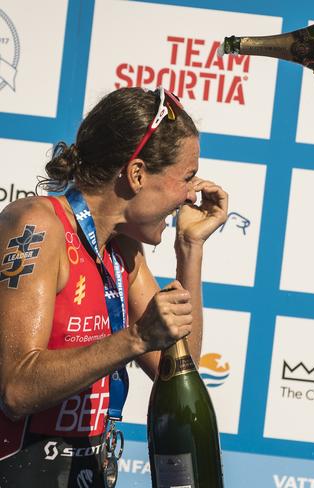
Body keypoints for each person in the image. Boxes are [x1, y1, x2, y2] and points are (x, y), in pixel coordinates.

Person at [0, 86, 228, 487]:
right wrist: (135, 338)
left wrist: (189, 249)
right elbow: (16, 388)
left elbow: (176, 369)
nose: (193, 194)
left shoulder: (122, 251)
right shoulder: (38, 225)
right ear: (137, 174)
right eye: (187, 178)